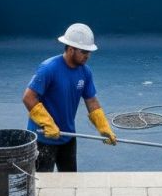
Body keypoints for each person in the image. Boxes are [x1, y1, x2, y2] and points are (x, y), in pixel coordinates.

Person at [23, 23, 117, 172]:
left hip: (68, 135)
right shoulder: (49, 68)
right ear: (71, 49)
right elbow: (28, 97)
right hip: (44, 137)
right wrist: (47, 123)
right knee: (42, 182)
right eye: (84, 51)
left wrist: (103, 127)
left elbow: (91, 101)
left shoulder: (85, 72)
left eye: (89, 52)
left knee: (70, 179)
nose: (88, 55)